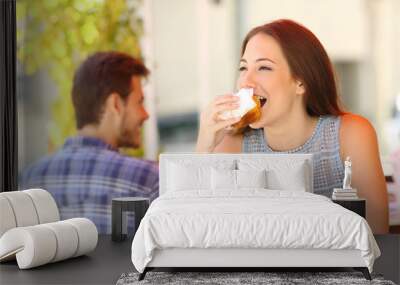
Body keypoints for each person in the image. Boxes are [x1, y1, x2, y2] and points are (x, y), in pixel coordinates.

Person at [196, 19, 388, 234]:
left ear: (301, 82)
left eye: (264, 67)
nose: (245, 82)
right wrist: (205, 146)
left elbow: (377, 233)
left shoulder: (351, 134)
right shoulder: (230, 145)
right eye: (243, 68)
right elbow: (201, 230)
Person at [20, 52, 159, 234]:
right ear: (116, 104)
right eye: (139, 102)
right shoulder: (149, 178)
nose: (145, 114)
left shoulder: (30, 179)